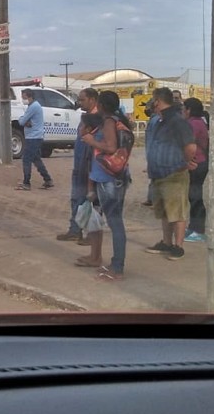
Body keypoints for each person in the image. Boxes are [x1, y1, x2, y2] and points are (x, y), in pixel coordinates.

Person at [77, 91, 131, 279]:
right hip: (103, 179)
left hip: (110, 181)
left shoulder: (109, 122)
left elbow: (111, 147)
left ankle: (117, 266)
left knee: (115, 223)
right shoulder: (111, 120)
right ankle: (97, 257)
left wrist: (93, 141)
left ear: (100, 104)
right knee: (97, 219)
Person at [143, 88, 198, 262]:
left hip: (174, 174)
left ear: (158, 101)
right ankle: (166, 243)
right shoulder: (160, 121)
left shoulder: (176, 121)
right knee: (165, 212)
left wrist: (184, 163)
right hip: (159, 174)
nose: (152, 104)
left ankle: (178, 246)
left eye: (153, 100)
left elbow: (191, 146)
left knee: (177, 212)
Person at [58, 88, 99, 243]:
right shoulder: (86, 117)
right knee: (76, 199)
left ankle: (92, 234)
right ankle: (75, 230)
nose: (79, 102)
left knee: (92, 201)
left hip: (91, 167)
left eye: (82, 100)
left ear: (92, 99)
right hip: (79, 165)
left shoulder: (98, 119)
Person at [15, 89, 54, 191]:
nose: (23, 99)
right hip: (34, 136)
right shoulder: (32, 106)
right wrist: (24, 120)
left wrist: (24, 120)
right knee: (36, 159)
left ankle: (26, 183)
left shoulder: (33, 107)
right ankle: (47, 179)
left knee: (26, 159)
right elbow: (24, 120)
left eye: (24, 97)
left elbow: (22, 121)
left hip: (33, 137)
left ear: (29, 97)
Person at [183, 97, 209, 242]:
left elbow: (188, 144)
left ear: (189, 110)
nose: (182, 112)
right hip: (199, 162)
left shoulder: (193, 124)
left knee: (195, 197)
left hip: (196, 163)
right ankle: (193, 227)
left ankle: (199, 230)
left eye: (184, 109)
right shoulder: (198, 122)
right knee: (192, 196)